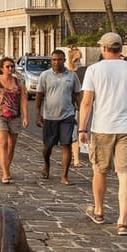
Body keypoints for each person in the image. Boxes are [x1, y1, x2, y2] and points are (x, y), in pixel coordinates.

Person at [79, 32, 127, 237]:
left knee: (99, 170)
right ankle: (123, 222)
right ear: (121, 48)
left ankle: (99, 211)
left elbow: (86, 102)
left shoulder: (94, 70)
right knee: (126, 174)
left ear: (103, 48)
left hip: (102, 127)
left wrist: (82, 128)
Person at [35, 49, 81, 185]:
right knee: (47, 147)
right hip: (50, 116)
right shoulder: (45, 76)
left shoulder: (72, 76)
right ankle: (46, 164)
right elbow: (39, 97)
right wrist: (38, 115)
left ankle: (65, 175)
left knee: (66, 144)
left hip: (67, 115)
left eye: (59, 59)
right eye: (54, 59)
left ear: (64, 60)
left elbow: (78, 95)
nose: (56, 62)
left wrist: (82, 113)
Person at [0, 56, 28, 183]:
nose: (10, 68)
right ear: (2, 68)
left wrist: (25, 116)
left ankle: (7, 167)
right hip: (0, 116)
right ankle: (5, 173)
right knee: (3, 144)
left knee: (11, 145)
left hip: (14, 116)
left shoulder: (18, 82)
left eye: (12, 66)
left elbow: (23, 100)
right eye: (7, 66)